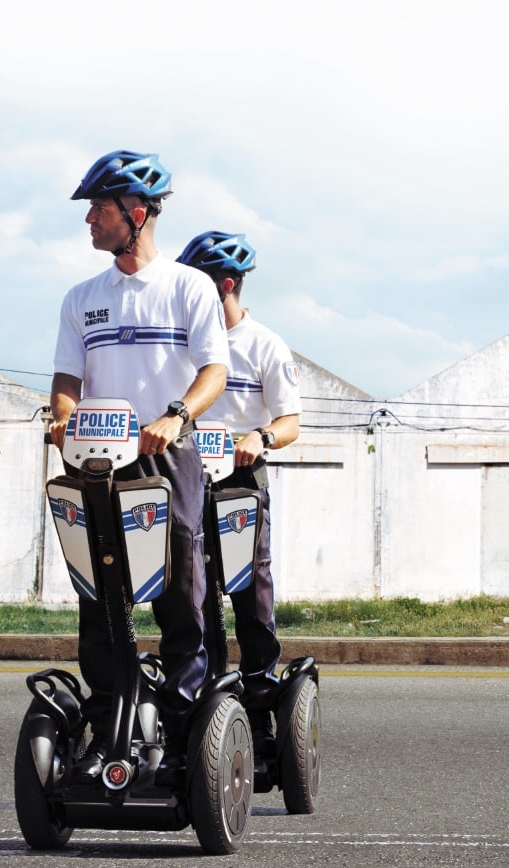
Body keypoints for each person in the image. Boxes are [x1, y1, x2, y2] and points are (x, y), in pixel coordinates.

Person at [49, 151, 229, 785]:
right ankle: (106, 728)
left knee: (181, 588)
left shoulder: (189, 286)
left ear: (138, 212)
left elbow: (214, 370)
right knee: (98, 595)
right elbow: (68, 377)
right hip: (96, 460)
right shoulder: (82, 298)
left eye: (99, 209)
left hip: (166, 453)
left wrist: (177, 416)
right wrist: (62, 415)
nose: (90, 221)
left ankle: (182, 733)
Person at [176, 231, 301, 759]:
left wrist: (261, 436)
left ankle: (259, 702)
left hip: (241, 481)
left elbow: (290, 421)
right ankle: (204, 701)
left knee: (250, 593)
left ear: (225, 285)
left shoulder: (265, 345)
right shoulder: (186, 344)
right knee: (191, 594)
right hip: (187, 478)